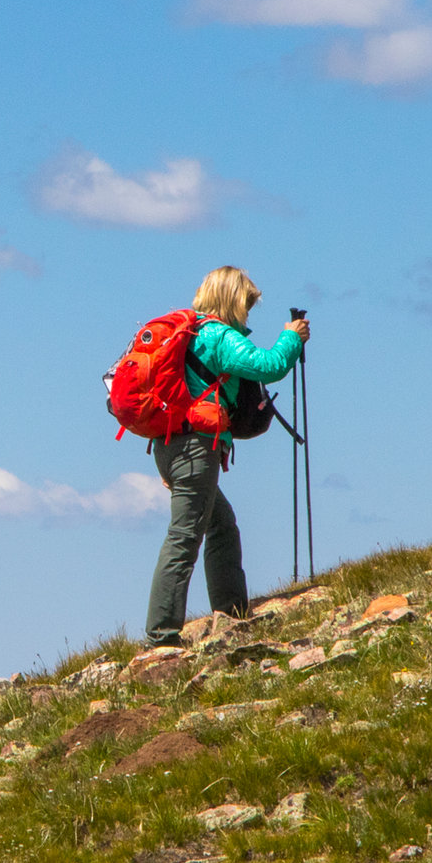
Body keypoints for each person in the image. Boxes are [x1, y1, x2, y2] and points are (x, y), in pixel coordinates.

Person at [145, 267, 309, 647]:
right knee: (185, 535)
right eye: (247, 305)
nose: (248, 314)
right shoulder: (217, 334)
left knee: (220, 523)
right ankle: (162, 636)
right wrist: (291, 337)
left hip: (169, 445)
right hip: (196, 448)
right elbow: (268, 366)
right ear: (234, 300)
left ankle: (232, 614)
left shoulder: (188, 333)